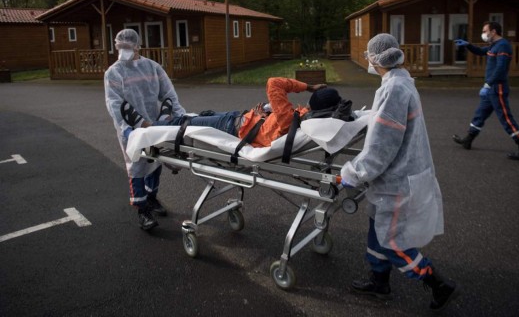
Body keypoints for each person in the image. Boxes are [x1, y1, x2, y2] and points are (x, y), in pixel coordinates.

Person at [339, 33, 460, 312]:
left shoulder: (393, 90)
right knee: (376, 229)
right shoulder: (399, 82)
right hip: (396, 176)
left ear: (376, 58)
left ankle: (437, 283)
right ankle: (379, 280)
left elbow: (381, 147)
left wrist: (353, 173)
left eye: (369, 54)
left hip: (396, 181)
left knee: (392, 241)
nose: (367, 59)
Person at [104, 28, 186, 231]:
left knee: (155, 161)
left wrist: (180, 115)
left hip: (154, 124)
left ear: (137, 46)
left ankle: (151, 198)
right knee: (137, 166)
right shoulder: (113, 72)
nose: (123, 50)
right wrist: (129, 128)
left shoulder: (152, 67)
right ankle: (142, 210)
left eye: (127, 47)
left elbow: (168, 94)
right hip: (131, 128)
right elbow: (115, 104)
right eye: (120, 47)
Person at [123, 78, 346, 148]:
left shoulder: (290, 117)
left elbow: (274, 83)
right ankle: (168, 119)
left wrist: (308, 86)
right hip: (246, 120)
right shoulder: (306, 119)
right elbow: (274, 130)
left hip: (235, 126)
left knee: (188, 123)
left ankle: (147, 126)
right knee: (201, 115)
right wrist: (264, 116)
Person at [453, 21, 519, 160]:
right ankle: (468, 140)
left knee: (506, 118)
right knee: (480, 114)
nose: (483, 34)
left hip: (497, 88)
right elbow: (481, 51)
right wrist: (468, 45)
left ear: (494, 31)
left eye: (485, 31)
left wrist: (488, 84)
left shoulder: (503, 46)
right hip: (491, 88)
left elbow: (501, 69)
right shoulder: (494, 45)